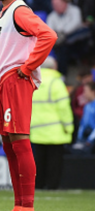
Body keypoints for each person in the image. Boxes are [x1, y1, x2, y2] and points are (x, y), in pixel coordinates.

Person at [0, 0, 57, 211]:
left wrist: (27, 68)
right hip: (4, 82)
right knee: (9, 145)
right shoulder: (1, 15)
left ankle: (27, 209)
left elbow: (48, 35)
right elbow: (1, 59)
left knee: (19, 140)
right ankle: (18, 208)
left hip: (17, 81)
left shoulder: (19, 11)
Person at [30, 57, 73, 190]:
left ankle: (38, 186)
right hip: (55, 130)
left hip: (35, 129)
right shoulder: (56, 82)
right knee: (54, 162)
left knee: (38, 161)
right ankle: (52, 186)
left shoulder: (32, 81)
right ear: (54, 67)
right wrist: (69, 127)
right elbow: (63, 107)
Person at [76, 81, 95, 153]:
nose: (84, 94)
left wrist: (90, 140)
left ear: (93, 91)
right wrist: (79, 139)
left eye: (86, 91)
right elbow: (83, 124)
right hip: (85, 140)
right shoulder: (86, 106)